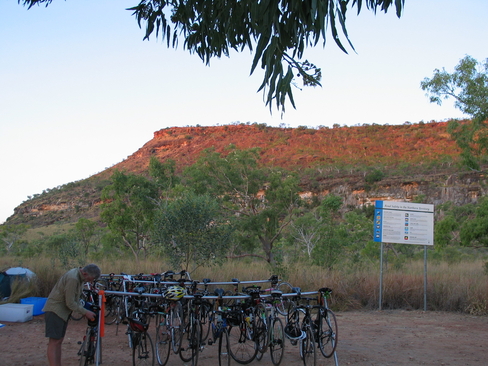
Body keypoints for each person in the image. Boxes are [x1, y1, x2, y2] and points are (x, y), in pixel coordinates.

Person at [42, 264, 101, 366]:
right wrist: (85, 312)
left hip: (63, 313)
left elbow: (75, 299)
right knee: (54, 342)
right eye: (92, 278)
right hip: (55, 311)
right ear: (85, 273)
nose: (91, 281)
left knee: (59, 341)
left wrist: (86, 307)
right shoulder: (73, 279)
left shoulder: (79, 277)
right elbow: (70, 302)